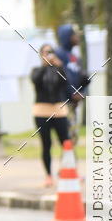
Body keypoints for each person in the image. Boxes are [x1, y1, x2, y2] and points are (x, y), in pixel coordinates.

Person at [31, 44, 73, 187]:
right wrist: (44, 66)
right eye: (46, 52)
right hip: (42, 111)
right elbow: (35, 82)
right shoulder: (36, 70)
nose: (49, 55)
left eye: (51, 52)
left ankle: (66, 171)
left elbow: (67, 83)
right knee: (46, 144)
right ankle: (48, 176)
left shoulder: (59, 69)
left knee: (66, 143)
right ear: (41, 54)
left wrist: (60, 67)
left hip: (59, 110)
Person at [56, 24, 89, 140]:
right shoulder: (59, 54)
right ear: (68, 37)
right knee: (67, 137)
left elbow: (81, 77)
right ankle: (69, 158)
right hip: (63, 102)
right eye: (75, 35)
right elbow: (61, 77)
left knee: (73, 135)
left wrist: (82, 91)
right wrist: (72, 93)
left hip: (74, 102)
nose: (77, 37)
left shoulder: (74, 57)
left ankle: (70, 158)